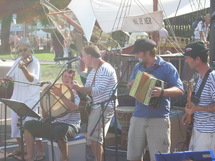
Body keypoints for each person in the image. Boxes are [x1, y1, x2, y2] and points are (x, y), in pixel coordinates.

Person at [127, 39, 184, 161]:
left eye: (138, 53)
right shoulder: (137, 67)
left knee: (159, 157)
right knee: (133, 156)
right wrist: (131, 84)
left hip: (158, 118)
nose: (136, 56)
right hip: (138, 116)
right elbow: (130, 84)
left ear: (147, 53)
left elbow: (180, 90)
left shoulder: (167, 67)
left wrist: (162, 92)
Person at [14, 69, 81, 161]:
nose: (67, 79)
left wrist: (61, 95)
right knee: (28, 125)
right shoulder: (54, 90)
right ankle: (29, 156)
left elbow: (75, 109)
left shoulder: (75, 92)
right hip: (54, 124)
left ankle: (65, 159)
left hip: (71, 125)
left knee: (59, 129)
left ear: (73, 79)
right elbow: (46, 115)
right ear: (61, 77)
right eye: (65, 76)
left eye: (70, 77)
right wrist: (44, 104)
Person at [71, 45, 117, 161]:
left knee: (95, 137)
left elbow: (97, 91)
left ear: (90, 56)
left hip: (105, 106)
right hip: (97, 106)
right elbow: (87, 89)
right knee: (93, 137)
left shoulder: (105, 68)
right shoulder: (94, 71)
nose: (82, 59)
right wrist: (76, 87)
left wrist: (80, 88)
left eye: (83, 56)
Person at [1, 38, 44, 160]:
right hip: (17, 98)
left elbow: (31, 79)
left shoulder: (34, 62)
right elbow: (10, 75)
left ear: (30, 49)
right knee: (15, 125)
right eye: (20, 50)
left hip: (30, 98)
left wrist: (24, 68)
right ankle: (21, 148)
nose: (23, 52)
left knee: (30, 126)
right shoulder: (18, 61)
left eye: (25, 49)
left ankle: (40, 152)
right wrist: (5, 79)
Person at [182, 41, 215, 153]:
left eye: (188, 58)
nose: (186, 61)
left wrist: (196, 109)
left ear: (197, 60)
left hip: (209, 132)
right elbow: (201, 101)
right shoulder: (200, 77)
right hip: (198, 129)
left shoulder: (212, 77)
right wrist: (189, 112)